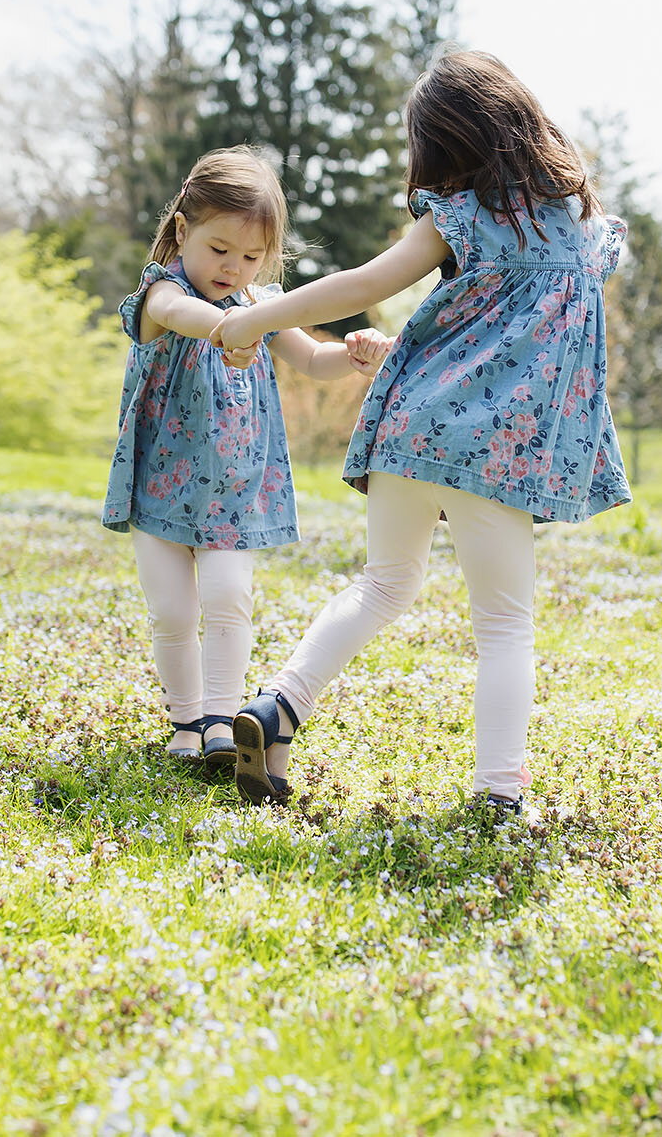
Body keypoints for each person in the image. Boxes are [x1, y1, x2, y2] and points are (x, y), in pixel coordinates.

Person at [209, 51, 631, 815]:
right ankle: (500, 793)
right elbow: (550, 342)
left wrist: (253, 314)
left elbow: (367, 285)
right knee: (504, 622)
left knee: (382, 584)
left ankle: (277, 706)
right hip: (495, 451)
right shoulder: (584, 230)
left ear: (446, 145)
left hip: (413, 425)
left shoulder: (457, 217)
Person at [103, 147, 391, 771]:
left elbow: (313, 360)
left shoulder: (260, 306)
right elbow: (183, 316)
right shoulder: (162, 293)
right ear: (183, 231)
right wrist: (230, 329)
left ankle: (219, 719)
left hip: (236, 490)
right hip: (159, 485)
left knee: (230, 598)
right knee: (174, 612)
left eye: (251, 257)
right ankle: (185, 719)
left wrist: (359, 353)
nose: (233, 268)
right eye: (219, 250)